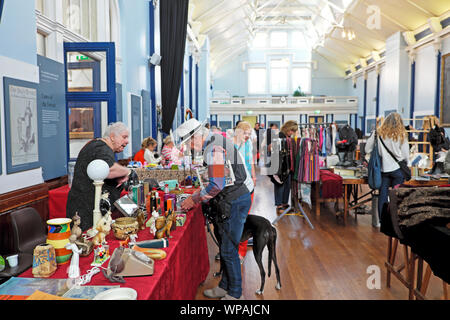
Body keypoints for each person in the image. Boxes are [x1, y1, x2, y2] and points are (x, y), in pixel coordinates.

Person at [180, 118, 253, 300]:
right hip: (234, 198)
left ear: (195, 138)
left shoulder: (213, 148)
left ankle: (236, 295)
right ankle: (224, 286)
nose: (188, 148)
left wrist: (194, 199)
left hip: (233, 201)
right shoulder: (216, 141)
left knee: (228, 250)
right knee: (227, 247)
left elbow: (216, 184)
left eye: (187, 143)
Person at [67, 122, 131, 231]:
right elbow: (109, 170)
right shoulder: (102, 148)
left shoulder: (98, 145)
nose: (127, 141)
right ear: (112, 137)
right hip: (85, 210)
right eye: (124, 137)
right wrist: (128, 171)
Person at [365, 112, 410, 222]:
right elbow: (405, 155)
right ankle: (396, 221)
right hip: (397, 170)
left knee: (383, 196)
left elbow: (367, 149)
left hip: (383, 170)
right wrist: (406, 163)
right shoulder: (401, 134)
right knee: (397, 196)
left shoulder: (378, 133)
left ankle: (383, 221)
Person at [233, 121, 256, 263]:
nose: (247, 136)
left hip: (247, 183)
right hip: (235, 185)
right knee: (233, 219)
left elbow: (251, 161)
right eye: (245, 133)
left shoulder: (248, 144)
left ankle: (241, 252)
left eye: (249, 134)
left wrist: (254, 176)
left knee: (244, 218)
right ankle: (231, 249)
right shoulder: (231, 145)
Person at [272, 120, 298, 212]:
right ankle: (279, 205)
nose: (292, 132)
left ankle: (285, 203)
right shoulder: (279, 136)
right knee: (280, 184)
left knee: (287, 185)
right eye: (292, 130)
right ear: (287, 128)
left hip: (289, 165)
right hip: (281, 165)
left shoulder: (289, 137)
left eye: (293, 131)